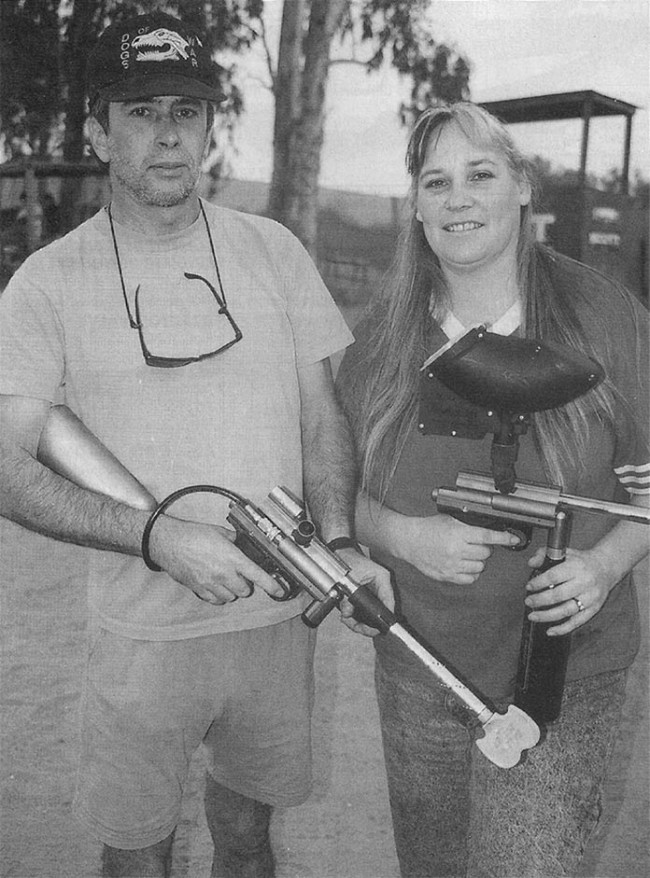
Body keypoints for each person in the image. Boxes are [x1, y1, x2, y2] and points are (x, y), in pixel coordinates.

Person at [0, 11, 392, 878]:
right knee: (137, 851)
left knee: (249, 837)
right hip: (143, 635)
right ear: (99, 131)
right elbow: (10, 464)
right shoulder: (47, 283)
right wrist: (158, 538)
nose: (168, 134)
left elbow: (320, 411)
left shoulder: (275, 251)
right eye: (141, 111)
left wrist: (337, 543)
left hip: (279, 619)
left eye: (187, 109)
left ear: (212, 127)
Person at [335, 101, 649, 877]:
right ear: (415, 207)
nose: (458, 198)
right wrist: (403, 537)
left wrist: (607, 564)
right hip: (420, 662)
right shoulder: (382, 339)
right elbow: (333, 489)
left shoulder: (605, 317)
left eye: (480, 174)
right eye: (435, 182)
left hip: (567, 673)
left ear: (522, 188)